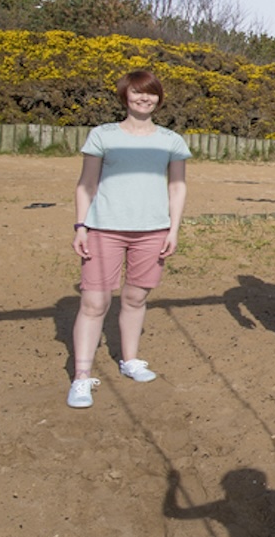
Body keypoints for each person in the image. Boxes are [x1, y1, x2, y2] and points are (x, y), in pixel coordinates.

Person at [67, 69, 191, 408]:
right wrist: (81, 226)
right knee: (94, 303)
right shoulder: (103, 136)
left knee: (136, 298)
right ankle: (81, 376)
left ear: (159, 98)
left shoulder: (171, 141)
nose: (144, 98)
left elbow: (177, 187)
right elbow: (86, 184)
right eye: (137, 92)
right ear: (125, 96)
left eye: (150, 93)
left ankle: (129, 359)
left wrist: (173, 229)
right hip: (104, 230)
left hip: (152, 232)